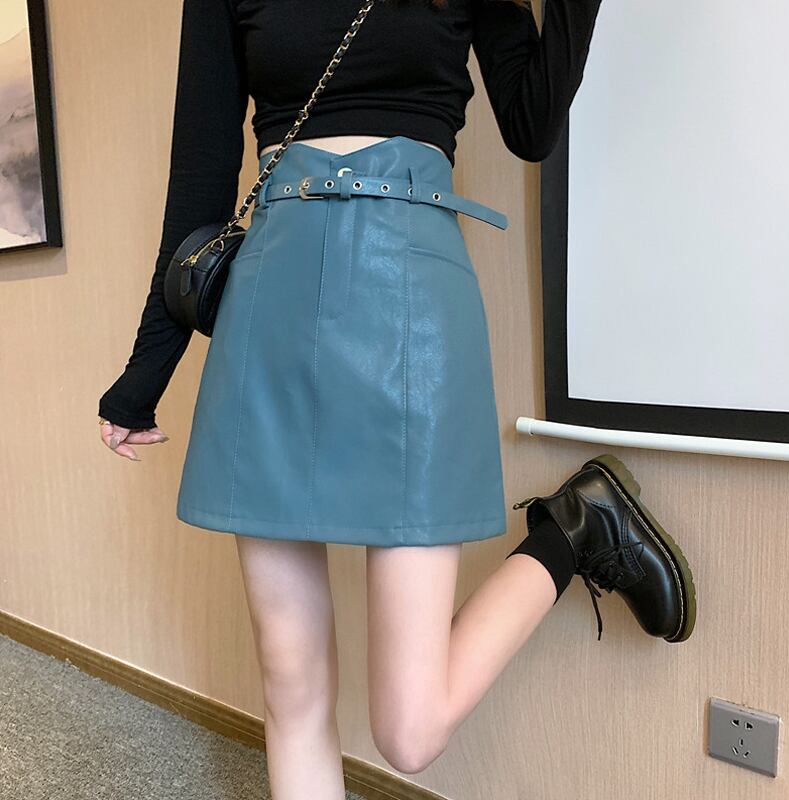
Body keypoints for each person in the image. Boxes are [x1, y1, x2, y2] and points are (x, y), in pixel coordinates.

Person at [98, 0, 696, 795]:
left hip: (413, 302)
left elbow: (531, 125)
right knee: (290, 684)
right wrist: (144, 378)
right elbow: (199, 181)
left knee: (410, 731)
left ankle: (576, 529)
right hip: (271, 307)